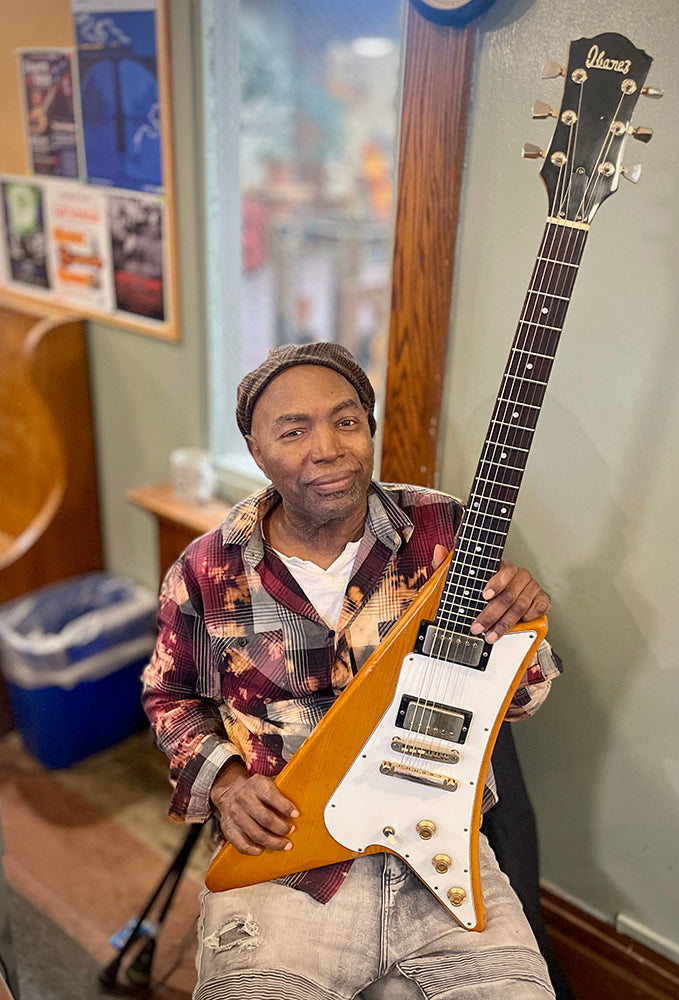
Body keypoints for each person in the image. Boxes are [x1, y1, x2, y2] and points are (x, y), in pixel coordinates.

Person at [142, 342, 562, 1000]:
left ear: (369, 428)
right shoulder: (207, 569)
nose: (328, 448)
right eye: (293, 429)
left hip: (438, 844)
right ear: (256, 451)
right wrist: (223, 783)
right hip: (290, 857)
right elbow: (170, 698)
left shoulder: (443, 528)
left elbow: (520, 699)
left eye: (345, 421)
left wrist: (523, 631)